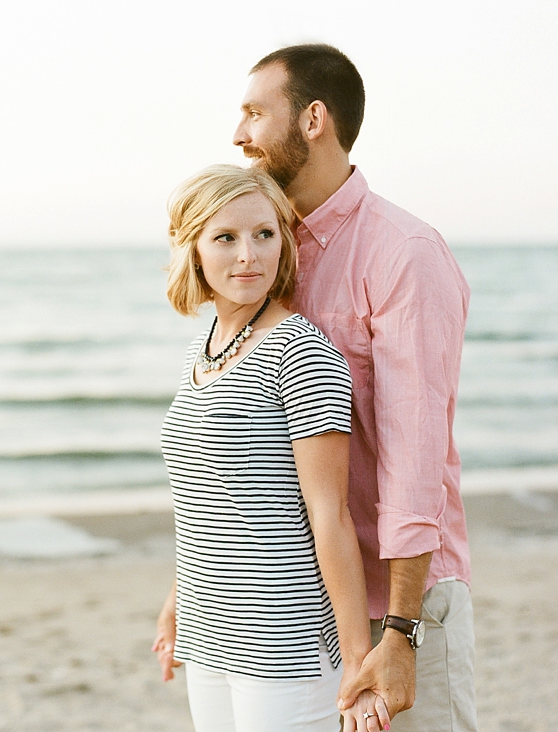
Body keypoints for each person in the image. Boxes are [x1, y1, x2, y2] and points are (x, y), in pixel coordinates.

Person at [225, 43, 477, 732]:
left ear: (313, 118)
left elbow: (415, 455)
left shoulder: (403, 254)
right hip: (300, 604)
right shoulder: (265, 251)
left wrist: (401, 628)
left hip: (397, 597)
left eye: (254, 113)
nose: (238, 135)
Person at [152, 164, 390, 732]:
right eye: (226, 238)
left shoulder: (299, 352)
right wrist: (176, 604)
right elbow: (208, 503)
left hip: (284, 644)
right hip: (208, 633)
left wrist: (358, 659)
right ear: (194, 250)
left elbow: (329, 516)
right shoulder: (203, 350)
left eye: (264, 234)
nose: (248, 256)